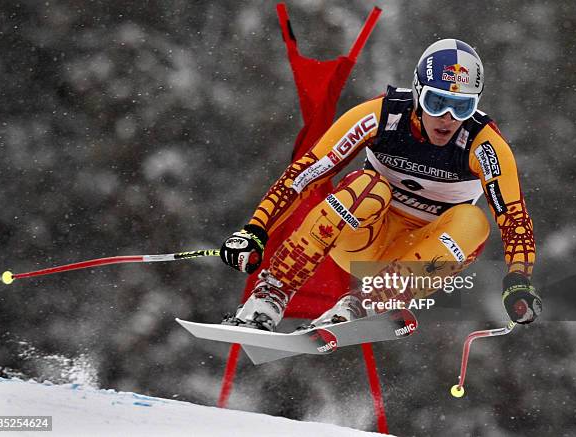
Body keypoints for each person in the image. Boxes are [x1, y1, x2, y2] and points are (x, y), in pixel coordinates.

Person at [219, 39, 542, 331]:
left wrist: (518, 279)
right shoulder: (382, 115)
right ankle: (270, 295)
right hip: (361, 239)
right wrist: (255, 230)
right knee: (367, 186)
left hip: (421, 256)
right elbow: (306, 173)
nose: (446, 119)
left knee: (473, 222)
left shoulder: (483, 145)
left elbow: (513, 218)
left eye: (462, 107)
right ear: (417, 92)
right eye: (436, 103)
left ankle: (364, 305)